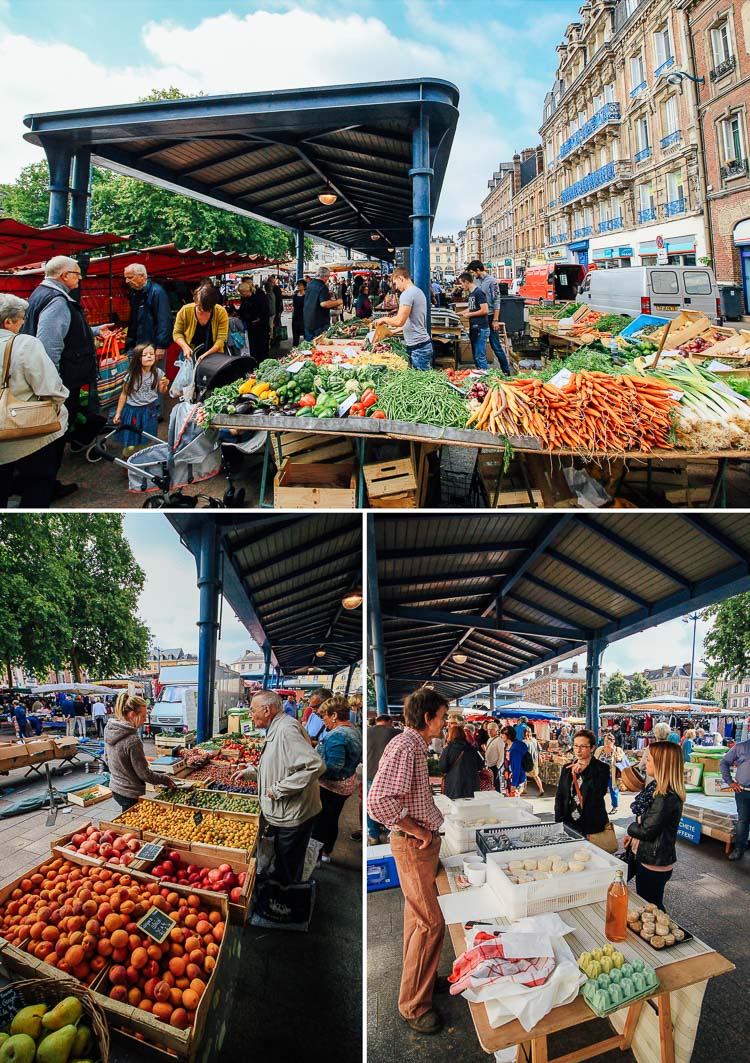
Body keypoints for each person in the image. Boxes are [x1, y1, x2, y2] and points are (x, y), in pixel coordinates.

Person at [367, 688, 449, 1036]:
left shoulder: (413, 746)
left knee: (418, 920)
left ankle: (422, 983)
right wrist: (419, 830)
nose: (446, 723)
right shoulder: (406, 746)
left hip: (417, 846)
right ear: (428, 717)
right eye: (443, 717)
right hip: (413, 847)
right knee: (431, 923)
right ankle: (414, 1004)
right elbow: (378, 802)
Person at [21, 256, 112, 454]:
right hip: (61, 377)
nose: (80, 279)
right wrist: (51, 385)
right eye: (78, 274)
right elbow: (48, 346)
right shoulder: (57, 301)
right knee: (58, 426)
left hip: (56, 376)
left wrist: (95, 331)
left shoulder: (41, 293)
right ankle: (48, 479)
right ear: (65, 275)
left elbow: (66, 328)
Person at [232, 691, 325, 886]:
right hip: (288, 810)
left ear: (267, 710)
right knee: (284, 859)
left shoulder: (286, 730)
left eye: (252, 710)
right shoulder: (278, 727)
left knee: (287, 865)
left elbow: (315, 765)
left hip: (293, 813)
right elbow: (281, 766)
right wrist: (252, 773)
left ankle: (285, 903)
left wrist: (279, 790)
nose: (250, 714)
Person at [0, 293, 70, 509]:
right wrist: (59, 407)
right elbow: (50, 388)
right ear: (8, 321)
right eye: (21, 318)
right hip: (27, 433)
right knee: (38, 484)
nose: (23, 322)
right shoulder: (24, 344)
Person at [625, 742, 685, 907]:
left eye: (649, 760)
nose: (645, 764)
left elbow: (646, 831)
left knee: (652, 906)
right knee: (647, 902)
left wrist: (631, 829)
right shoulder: (656, 788)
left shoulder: (665, 796)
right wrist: (633, 836)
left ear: (662, 764)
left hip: (653, 861)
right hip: (646, 855)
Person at [311, 695, 363, 863]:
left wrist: (311, 771)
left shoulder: (336, 735)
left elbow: (333, 765)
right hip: (346, 784)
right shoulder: (353, 730)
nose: (323, 720)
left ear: (334, 715)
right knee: (332, 819)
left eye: (324, 716)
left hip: (331, 786)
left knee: (320, 823)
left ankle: (315, 859)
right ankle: (327, 852)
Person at [104, 692, 176, 813]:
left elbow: (107, 759)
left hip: (115, 787)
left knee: (126, 817)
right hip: (130, 792)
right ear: (132, 714)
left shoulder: (110, 729)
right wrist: (166, 779)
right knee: (131, 823)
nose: (144, 720)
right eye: (143, 716)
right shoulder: (132, 740)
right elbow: (144, 774)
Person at [555, 728, 612, 847]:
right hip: (569, 822)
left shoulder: (602, 768)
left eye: (583, 746)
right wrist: (559, 821)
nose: (578, 750)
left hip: (592, 824)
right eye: (575, 746)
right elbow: (560, 796)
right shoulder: (567, 768)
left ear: (591, 748)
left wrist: (586, 772)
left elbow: (599, 792)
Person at [113, 343, 169, 456]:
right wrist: (118, 413)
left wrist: (164, 385)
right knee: (131, 444)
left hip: (149, 410)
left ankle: (137, 459)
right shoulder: (131, 376)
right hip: (133, 411)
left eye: (151, 354)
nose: (149, 356)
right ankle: (127, 459)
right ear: (137, 359)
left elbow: (162, 392)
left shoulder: (157, 373)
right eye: (145, 355)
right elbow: (124, 394)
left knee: (145, 439)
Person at [377, 266, 433, 371]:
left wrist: (384, 319)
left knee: (420, 383)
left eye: (396, 283)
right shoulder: (418, 291)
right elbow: (412, 322)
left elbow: (399, 321)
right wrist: (393, 332)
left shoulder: (407, 294)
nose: (396, 287)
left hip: (418, 348)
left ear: (401, 278)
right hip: (422, 345)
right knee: (422, 381)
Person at [467, 260, 511, 375]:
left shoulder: (492, 282)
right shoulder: (475, 281)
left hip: (490, 316)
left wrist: (495, 320)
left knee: (496, 345)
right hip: (480, 318)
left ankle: (506, 372)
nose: (473, 275)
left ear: (478, 270)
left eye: (473, 272)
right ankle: (480, 371)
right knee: (478, 347)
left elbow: (497, 301)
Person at [123, 264, 172, 361]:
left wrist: (161, 345)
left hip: (152, 345)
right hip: (137, 345)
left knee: (153, 374)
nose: (127, 281)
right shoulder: (135, 292)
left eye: (130, 277)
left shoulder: (157, 292)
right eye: (126, 278)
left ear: (141, 276)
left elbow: (164, 320)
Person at [173, 284, 229, 363]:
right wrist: (185, 347)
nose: (202, 310)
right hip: (190, 355)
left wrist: (206, 355)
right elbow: (177, 333)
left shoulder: (220, 311)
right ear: (194, 299)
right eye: (199, 307)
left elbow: (221, 339)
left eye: (206, 309)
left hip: (215, 356)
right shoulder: (185, 310)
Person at [366, 713, 397, 845]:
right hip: (389, 776)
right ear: (389, 721)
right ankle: (389, 832)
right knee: (390, 805)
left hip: (370, 774)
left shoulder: (367, 731)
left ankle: (373, 835)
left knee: (371, 806)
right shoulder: (396, 733)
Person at [720, 733, 750, 860]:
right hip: (743, 792)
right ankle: (739, 849)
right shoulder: (741, 747)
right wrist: (730, 782)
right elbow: (724, 762)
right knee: (743, 821)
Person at [438, 723, 483, 799]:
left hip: (454, 786)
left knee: (456, 809)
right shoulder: (473, 748)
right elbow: (480, 765)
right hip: (471, 786)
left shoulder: (448, 749)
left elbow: (442, 768)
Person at [457, 271, 490, 370]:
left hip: (480, 328)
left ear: (466, 282)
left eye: (462, 283)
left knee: (480, 356)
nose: (461, 286)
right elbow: (472, 308)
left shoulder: (478, 293)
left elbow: (485, 310)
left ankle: (485, 378)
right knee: (476, 355)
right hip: (475, 328)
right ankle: (479, 375)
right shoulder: (472, 294)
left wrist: (469, 314)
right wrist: (459, 313)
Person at [303, 267, 343, 341]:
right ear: (325, 276)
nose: (328, 279)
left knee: (309, 346)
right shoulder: (322, 286)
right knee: (319, 345)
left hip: (308, 320)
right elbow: (324, 304)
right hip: (319, 322)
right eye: (328, 277)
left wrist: (327, 295)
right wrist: (338, 301)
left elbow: (315, 298)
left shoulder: (310, 284)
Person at [238, 281, 271, 362]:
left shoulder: (259, 296)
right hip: (252, 326)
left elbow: (264, 311)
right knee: (253, 345)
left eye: (241, 293)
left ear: (245, 291)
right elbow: (242, 310)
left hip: (261, 326)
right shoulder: (245, 298)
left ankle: (262, 361)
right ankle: (254, 360)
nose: (241, 295)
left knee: (261, 345)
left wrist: (258, 318)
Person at [595, 731, 624, 813]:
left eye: (608, 741)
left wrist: (615, 754)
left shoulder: (617, 750)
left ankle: (615, 807)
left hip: (611, 774)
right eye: (605, 741)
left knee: (613, 790)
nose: (606, 743)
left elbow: (621, 759)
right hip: (600, 775)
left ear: (613, 741)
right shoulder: (600, 749)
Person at [501, 725, 527, 795]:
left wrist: (514, 784)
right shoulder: (508, 746)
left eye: (503, 734)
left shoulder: (515, 748)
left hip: (515, 779)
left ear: (508, 735)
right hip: (509, 778)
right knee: (510, 800)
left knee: (514, 802)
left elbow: (517, 767)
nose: (501, 736)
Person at [524, 724, 545, 796]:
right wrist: (540, 758)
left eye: (528, 732)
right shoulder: (534, 740)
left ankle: (540, 789)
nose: (528, 733)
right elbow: (539, 750)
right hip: (533, 760)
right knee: (534, 775)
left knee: (528, 775)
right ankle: (526, 789)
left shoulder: (524, 742)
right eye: (527, 732)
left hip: (528, 761)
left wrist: (540, 758)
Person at [484, 723, 505, 792]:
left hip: (495, 766)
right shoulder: (489, 739)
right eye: (488, 730)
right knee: (491, 784)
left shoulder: (499, 740)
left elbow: (502, 755)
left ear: (496, 730)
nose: (490, 731)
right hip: (489, 766)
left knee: (496, 785)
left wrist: (497, 766)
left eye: (492, 730)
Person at [291, 279, 307, 347]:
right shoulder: (294, 295)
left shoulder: (307, 296)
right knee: (295, 336)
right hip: (296, 317)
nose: (298, 286)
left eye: (300, 285)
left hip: (304, 318)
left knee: (306, 336)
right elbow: (293, 307)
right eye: (297, 285)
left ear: (304, 286)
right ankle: (294, 351)